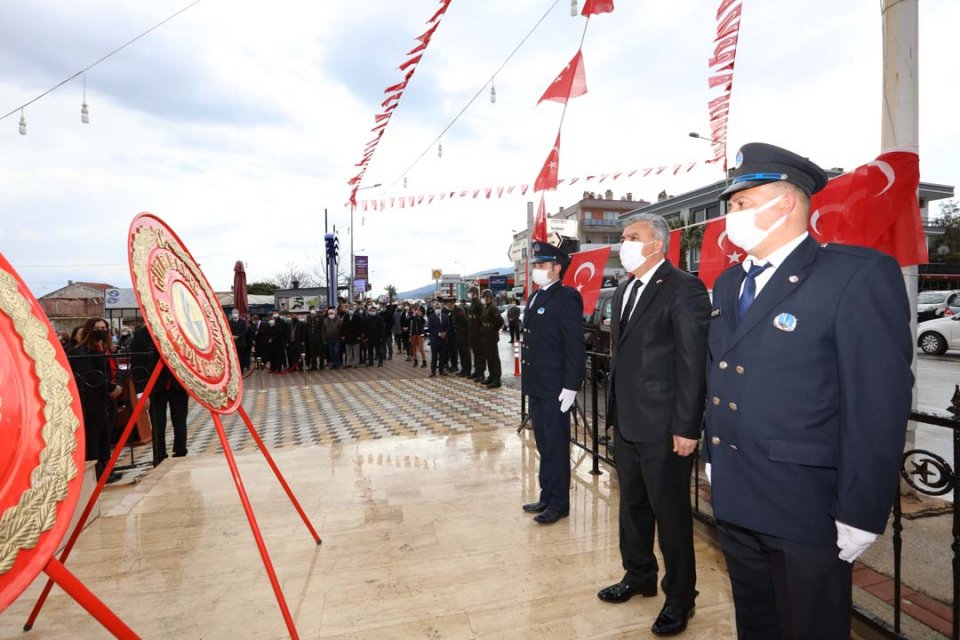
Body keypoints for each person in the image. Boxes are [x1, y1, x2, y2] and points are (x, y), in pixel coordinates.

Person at [704, 143, 913, 639]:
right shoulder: (729, 283)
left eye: (741, 204)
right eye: (731, 206)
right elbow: (723, 369)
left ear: (788, 204)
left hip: (806, 505)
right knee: (756, 623)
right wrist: (715, 455)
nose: (730, 217)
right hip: (737, 493)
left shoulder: (854, 274)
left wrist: (862, 509)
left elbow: (878, 404)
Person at [597, 214, 711, 637]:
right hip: (628, 422)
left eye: (632, 237)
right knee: (632, 507)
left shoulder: (684, 288)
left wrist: (687, 426)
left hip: (665, 427)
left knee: (672, 515)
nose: (623, 243)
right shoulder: (626, 288)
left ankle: (681, 597)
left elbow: (692, 363)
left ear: (657, 245)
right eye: (623, 236)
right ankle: (639, 574)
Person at [520, 243, 585, 524]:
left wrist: (571, 386)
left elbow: (574, 346)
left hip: (556, 388)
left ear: (557, 268)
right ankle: (547, 495)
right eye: (535, 266)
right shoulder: (536, 297)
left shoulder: (566, 297)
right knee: (544, 445)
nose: (536, 270)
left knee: (557, 446)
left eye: (541, 266)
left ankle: (560, 503)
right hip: (537, 385)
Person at [69, 317, 123, 481]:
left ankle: (106, 467)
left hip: (106, 397)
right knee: (95, 434)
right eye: (97, 327)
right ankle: (97, 470)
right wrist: (111, 388)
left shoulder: (104, 349)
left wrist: (116, 385)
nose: (101, 330)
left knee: (106, 433)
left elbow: (112, 369)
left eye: (103, 327)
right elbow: (92, 375)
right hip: (93, 398)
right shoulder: (84, 350)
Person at [129, 325, 190, 461]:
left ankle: (181, 452)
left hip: (177, 385)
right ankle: (159, 456)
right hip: (155, 386)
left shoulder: (177, 330)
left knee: (180, 421)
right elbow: (137, 364)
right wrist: (141, 392)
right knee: (157, 423)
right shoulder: (142, 334)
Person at [479, 289, 502, 388]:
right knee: (488, 358)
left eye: (484, 297)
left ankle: (497, 379)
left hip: (491, 337)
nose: (483, 299)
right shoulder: (486, 307)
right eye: (483, 297)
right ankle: (491, 376)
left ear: (489, 297)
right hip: (485, 336)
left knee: (494, 358)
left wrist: (493, 329)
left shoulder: (493, 308)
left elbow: (499, 321)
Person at [427, 300, 451, 377]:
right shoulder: (431, 317)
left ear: (441, 308)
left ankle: (442, 370)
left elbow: (448, 326)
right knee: (434, 356)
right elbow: (430, 328)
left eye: (439, 307)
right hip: (435, 340)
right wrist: (439, 334)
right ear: (434, 308)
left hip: (443, 340)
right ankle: (433, 371)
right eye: (436, 308)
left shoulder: (445, 316)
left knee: (442, 356)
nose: (438, 309)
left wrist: (445, 333)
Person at [467, 286, 485, 381]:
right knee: (475, 353)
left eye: (470, 292)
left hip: (478, 333)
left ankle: (481, 373)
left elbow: (482, 319)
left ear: (474, 293)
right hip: (472, 333)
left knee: (480, 354)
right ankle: (477, 371)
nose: (469, 294)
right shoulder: (472, 303)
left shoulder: (479, 303)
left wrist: (480, 332)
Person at [452, 299, 471, 377]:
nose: (448, 305)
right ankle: (463, 369)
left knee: (465, 353)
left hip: (463, 335)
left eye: (450, 303)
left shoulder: (459, 310)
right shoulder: (454, 310)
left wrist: (463, 332)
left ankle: (467, 370)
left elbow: (465, 322)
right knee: (461, 353)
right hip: (459, 335)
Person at [305, 305, 325, 370]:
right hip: (311, 338)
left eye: (314, 309)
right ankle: (314, 365)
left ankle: (321, 365)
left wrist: (322, 337)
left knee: (320, 352)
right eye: (311, 309)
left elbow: (322, 327)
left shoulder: (320, 316)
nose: (313, 310)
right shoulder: (308, 317)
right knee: (312, 353)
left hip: (319, 337)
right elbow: (308, 327)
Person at [442, 298, 459, 373]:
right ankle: (447, 364)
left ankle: (454, 366)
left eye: (451, 303)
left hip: (453, 334)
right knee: (447, 350)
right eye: (449, 303)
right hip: (446, 334)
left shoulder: (454, 310)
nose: (450, 305)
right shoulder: (444, 311)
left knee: (454, 351)